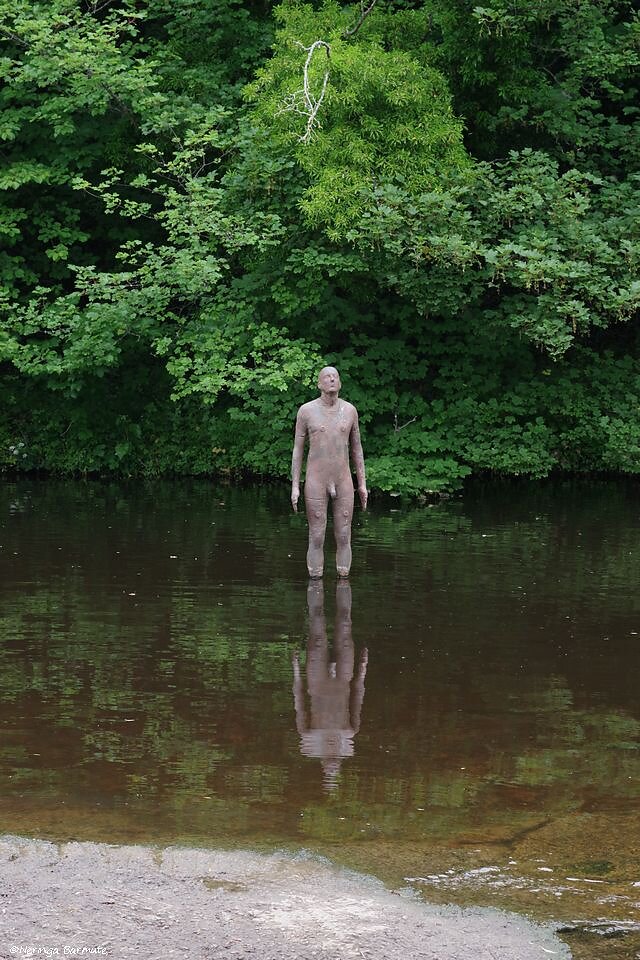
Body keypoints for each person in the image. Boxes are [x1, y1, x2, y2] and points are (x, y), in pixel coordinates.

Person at [291, 366, 367, 578]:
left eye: (335, 377)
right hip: (316, 480)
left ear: (340, 383)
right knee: (316, 536)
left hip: (343, 481)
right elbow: (298, 450)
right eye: (327, 377)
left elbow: (357, 448)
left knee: (344, 535)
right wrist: (295, 485)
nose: (332, 379)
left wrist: (362, 484)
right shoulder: (306, 411)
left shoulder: (350, 410)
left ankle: (344, 582)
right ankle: (315, 582)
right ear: (319, 384)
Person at [292, 579, 368, 790]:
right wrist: (363, 670)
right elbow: (359, 697)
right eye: (334, 768)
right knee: (320, 631)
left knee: (343, 623)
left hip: (323, 684)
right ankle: (317, 582)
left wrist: (296, 671)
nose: (332, 765)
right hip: (338, 681)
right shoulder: (347, 740)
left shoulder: (309, 743)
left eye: (330, 769)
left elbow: (298, 703)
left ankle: (341, 580)